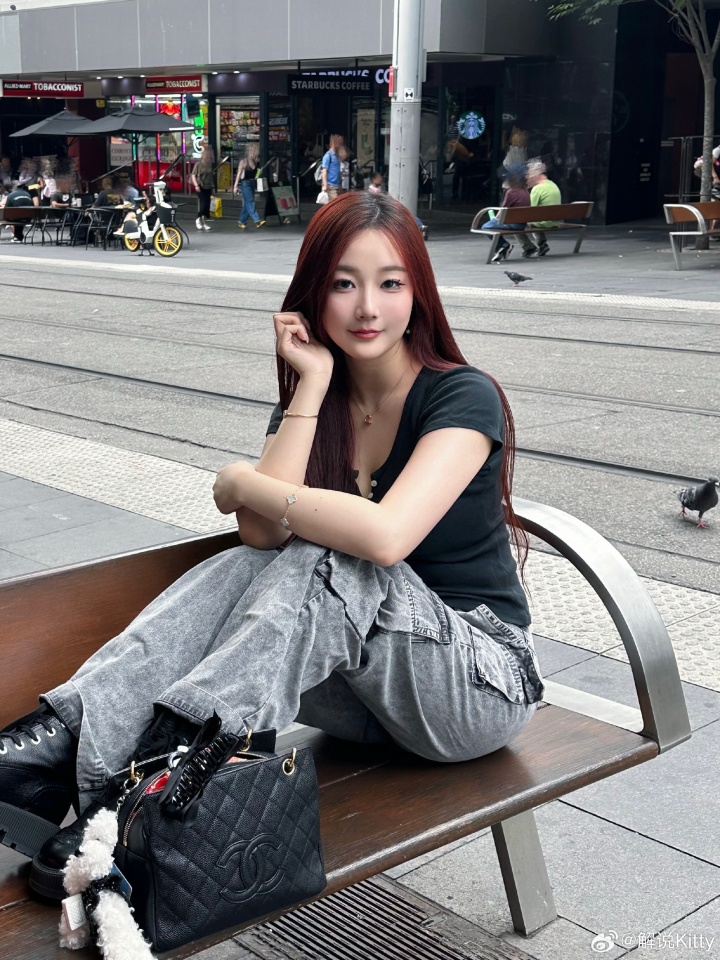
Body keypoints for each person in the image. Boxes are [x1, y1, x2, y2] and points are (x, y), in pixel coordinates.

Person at [0, 192, 543, 899]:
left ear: (419, 295)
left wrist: (242, 481)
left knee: (339, 554)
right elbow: (260, 536)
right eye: (343, 284)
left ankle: (146, 781)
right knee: (254, 561)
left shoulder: (461, 396)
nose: (367, 307)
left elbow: (385, 538)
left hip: (475, 686)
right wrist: (310, 386)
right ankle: (57, 750)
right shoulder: (314, 401)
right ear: (314, 295)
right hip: (360, 698)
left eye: (390, 283)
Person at [482, 164, 531, 263]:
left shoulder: (511, 192)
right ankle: (502, 248)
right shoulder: (525, 191)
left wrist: (495, 219)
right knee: (493, 225)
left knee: (486, 227)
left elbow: (503, 209)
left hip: (513, 224)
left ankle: (503, 245)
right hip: (521, 224)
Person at [518, 160, 561, 258]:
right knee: (535, 218)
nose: (528, 177)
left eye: (529, 174)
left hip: (544, 222)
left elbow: (529, 208)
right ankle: (542, 244)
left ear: (536, 174)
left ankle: (528, 247)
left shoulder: (537, 189)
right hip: (554, 221)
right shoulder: (553, 185)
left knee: (515, 224)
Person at [367, 171, 429, 241]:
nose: (381, 179)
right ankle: (419, 226)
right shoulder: (373, 190)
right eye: (379, 178)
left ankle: (420, 226)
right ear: (374, 179)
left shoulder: (376, 188)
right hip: (385, 209)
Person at [232, 143, 265, 229]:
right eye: (254, 151)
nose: (256, 153)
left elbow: (256, 175)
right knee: (250, 202)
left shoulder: (256, 161)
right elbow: (239, 174)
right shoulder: (243, 162)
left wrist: (259, 173)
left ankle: (242, 221)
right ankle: (257, 220)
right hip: (245, 183)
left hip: (252, 183)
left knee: (248, 203)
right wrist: (235, 186)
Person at [3, 178, 41, 243]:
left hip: (16, 218)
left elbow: (7, 208)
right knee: (19, 216)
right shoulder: (28, 194)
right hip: (28, 218)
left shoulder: (11, 195)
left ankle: (17, 237)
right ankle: (18, 236)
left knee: (15, 216)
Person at [191, 144, 215, 231]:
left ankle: (203, 222)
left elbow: (211, 177)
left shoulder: (209, 165)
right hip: (201, 186)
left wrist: (213, 187)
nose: (209, 158)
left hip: (208, 187)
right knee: (203, 204)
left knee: (207, 205)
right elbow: (193, 175)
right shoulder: (198, 164)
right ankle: (198, 218)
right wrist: (196, 185)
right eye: (207, 156)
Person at [321, 134, 343, 201]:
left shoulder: (337, 156)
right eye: (339, 143)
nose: (340, 145)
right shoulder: (328, 156)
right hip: (330, 186)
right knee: (335, 204)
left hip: (337, 185)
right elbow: (324, 171)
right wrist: (325, 185)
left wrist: (340, 183)